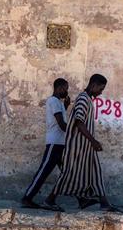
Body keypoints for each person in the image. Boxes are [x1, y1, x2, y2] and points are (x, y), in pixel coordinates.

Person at [44, 74, 118, 212]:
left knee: (94, 172)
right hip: (78, 146)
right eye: (101, 89)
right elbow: (79, 122)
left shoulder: (87, 99)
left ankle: (100, 202)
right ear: (94, 85)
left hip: (85, 146)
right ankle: (50, 199)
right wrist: (93, 141)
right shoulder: (83, 99)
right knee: (69, 174)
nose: (101, 92)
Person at [21, 78, 71, 208]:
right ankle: (27, 198)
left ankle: (81, 199)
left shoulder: (59, 103)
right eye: (65, 88)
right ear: (59, 88)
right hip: (54, 143)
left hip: (60, 144)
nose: (67, 91)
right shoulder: (53, 101)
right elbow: (61, 124)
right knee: (43, 172)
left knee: (67, 173)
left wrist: (65, 106)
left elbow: (60, 118)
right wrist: (74, 133)